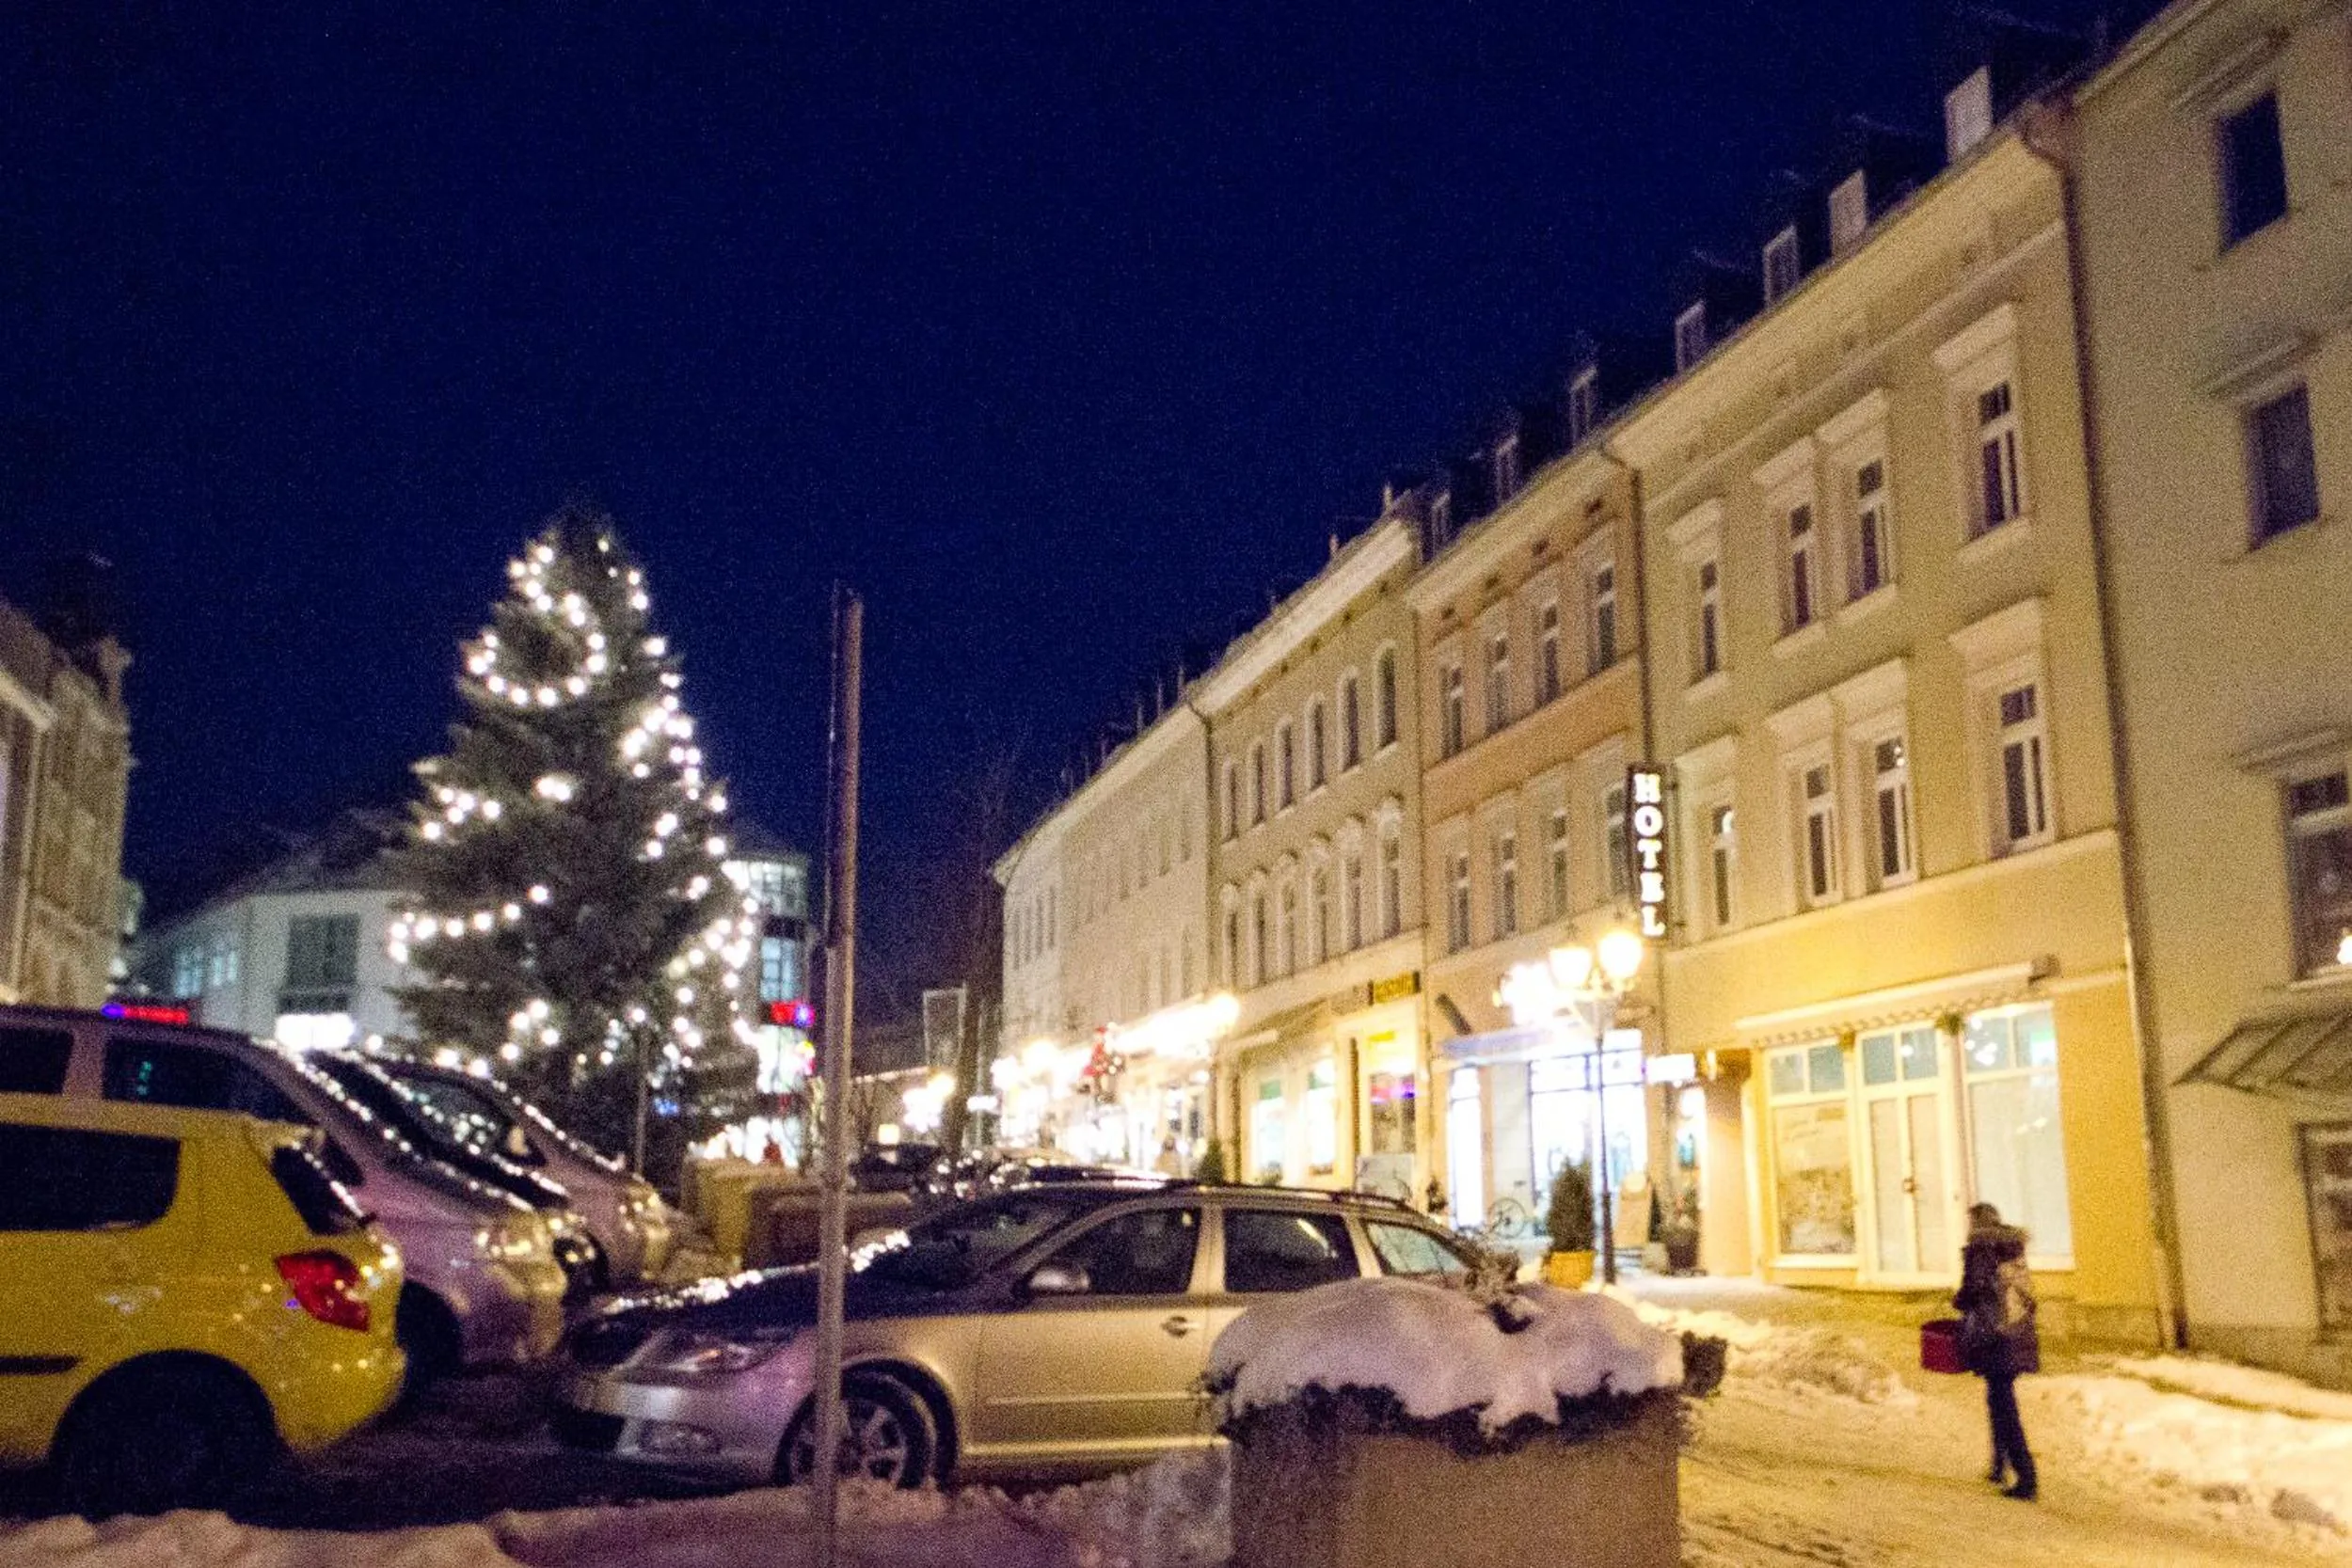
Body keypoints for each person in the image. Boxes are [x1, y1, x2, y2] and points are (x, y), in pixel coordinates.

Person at [1954, 1201, 2041, 1500]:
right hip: (2017, 1333)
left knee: (2003, 1406)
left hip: (1993, 1336)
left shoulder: (1980, 1248)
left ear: (1977, 1222)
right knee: (1998, 1398)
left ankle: (2026, 1476)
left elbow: (1973, 1290)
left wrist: (1958, 1301)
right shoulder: (2013, 1248)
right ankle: (1998, 1464)